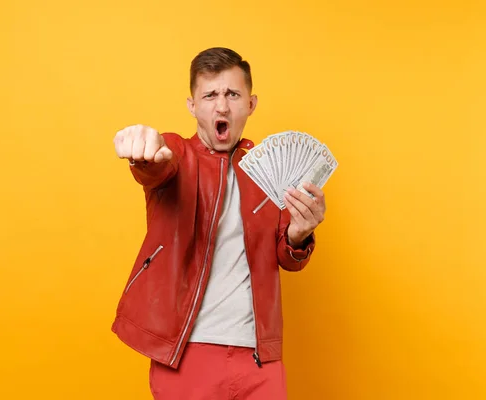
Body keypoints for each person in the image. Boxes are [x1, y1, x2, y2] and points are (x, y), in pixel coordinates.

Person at [111, 47, 326, 400]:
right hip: (187, 355)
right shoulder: (178, 154)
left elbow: (287, 257)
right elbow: (157, 166)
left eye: (232, 94)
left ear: (251, 104)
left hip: (260, 359)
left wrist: (300, 235)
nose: (222, 106)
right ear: (192, 106)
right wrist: (143, 151)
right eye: (210, 95)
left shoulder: (268, 170)